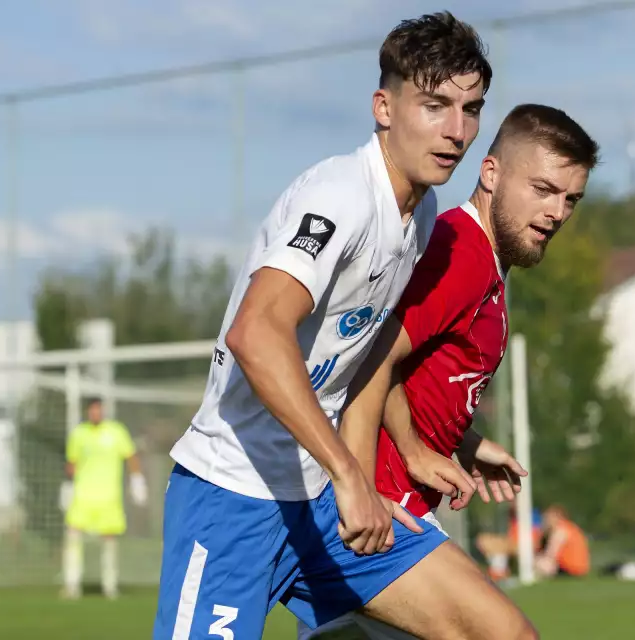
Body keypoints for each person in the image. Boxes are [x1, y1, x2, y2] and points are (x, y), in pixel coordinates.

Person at [152, 12, 508, 640]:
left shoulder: (419, 213)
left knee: (497, 631)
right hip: (235, 495)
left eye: (470, 109)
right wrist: (350, 473)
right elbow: (256, 333)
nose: (457, 131)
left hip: (320, 504)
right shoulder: (340, 194)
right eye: (434, 105)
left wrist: (424, 447)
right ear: (384, 107)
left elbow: (366, 354)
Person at [301, 104, 599, 639]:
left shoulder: (484, 267)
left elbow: (408, 377)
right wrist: (372, 482)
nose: (557, 212)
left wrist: (463, 443)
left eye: (570, 199)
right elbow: (371, 357)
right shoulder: (458, 252)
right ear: (491, 173)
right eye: (543, 189)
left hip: (393, 511)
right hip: (383, 514)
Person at [60, 397, 147, 600]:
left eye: (98, 409)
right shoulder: (79, 434)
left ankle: (110, 585)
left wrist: (137, 481)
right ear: (87, 412)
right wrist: (67, 485)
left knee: (109, 541)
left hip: (109, 497)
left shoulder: (116, 431)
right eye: (92, 410)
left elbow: (131, 456)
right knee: (73, 537)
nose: (95, 413)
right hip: (83, 496)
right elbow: (72, 463)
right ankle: (71, 584)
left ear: (103, 411)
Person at [534, 505, 590, 578]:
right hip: (580, 569)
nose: (545, 521)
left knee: (536, 561)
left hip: (569, 568)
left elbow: (550, 555)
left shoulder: (560, 531)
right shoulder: (569, 527)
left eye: (547, 518)